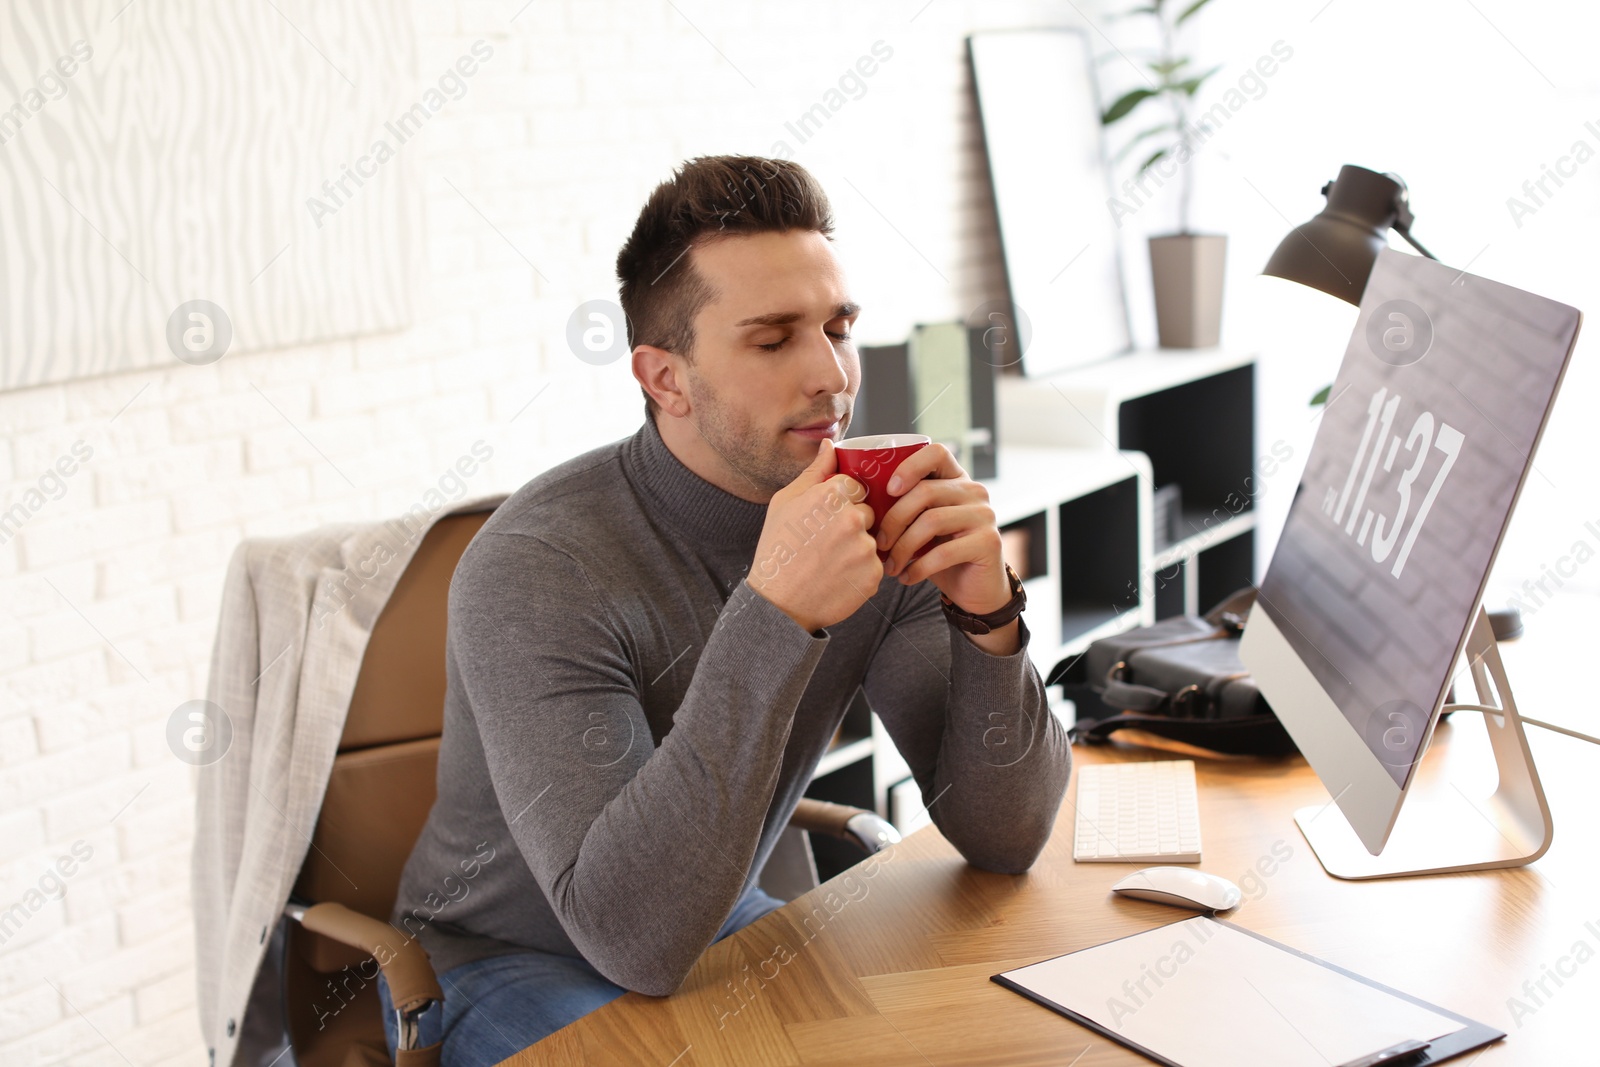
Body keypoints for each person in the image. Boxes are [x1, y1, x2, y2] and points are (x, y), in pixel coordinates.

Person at [380, 154, 1072, 1065]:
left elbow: (1007, 835)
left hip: (704, 907)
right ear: (665, 377)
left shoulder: (869, 512)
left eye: (839, 326)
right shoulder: (536, 566)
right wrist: (776, 613)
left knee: (967, 1033)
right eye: (774, 338)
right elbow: (629, 938)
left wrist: (989, 617)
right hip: (501, 959)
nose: (832, 375)